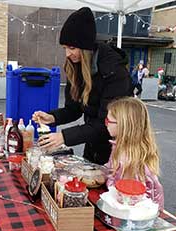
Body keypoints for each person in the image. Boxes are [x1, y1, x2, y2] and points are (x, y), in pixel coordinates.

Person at [32, 7, 132, 165]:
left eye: (72, 48)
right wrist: (52, 117)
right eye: (65, 48)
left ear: (86, 48)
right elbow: (74, 109)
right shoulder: (75, 66)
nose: (67, 54)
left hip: (118, 150)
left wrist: (64, 137)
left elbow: (106, 123)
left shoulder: (115, 72)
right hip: (92, 144)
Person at [105, 97, 164, 210]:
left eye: (108, 121)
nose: (106, 124)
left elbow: (132, 200)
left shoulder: (128, 159)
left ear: (123, 125)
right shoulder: (120, 147)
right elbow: (111, 168)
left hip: (134, 214)